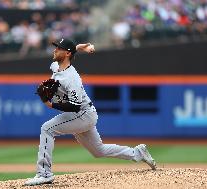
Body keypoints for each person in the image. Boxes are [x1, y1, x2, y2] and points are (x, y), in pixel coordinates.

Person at [24, 38, 156, 186]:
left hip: (82, 114)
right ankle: (137, 153)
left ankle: (44, 174)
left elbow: (75, 106)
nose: (55, 50)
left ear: (66, 53)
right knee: (98, 151)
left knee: (47, 128)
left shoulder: (71, 78)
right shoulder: (56, 66)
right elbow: (70, 51)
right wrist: (82, 47)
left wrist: (50, 104)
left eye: (59, 48)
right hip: (85, 114)